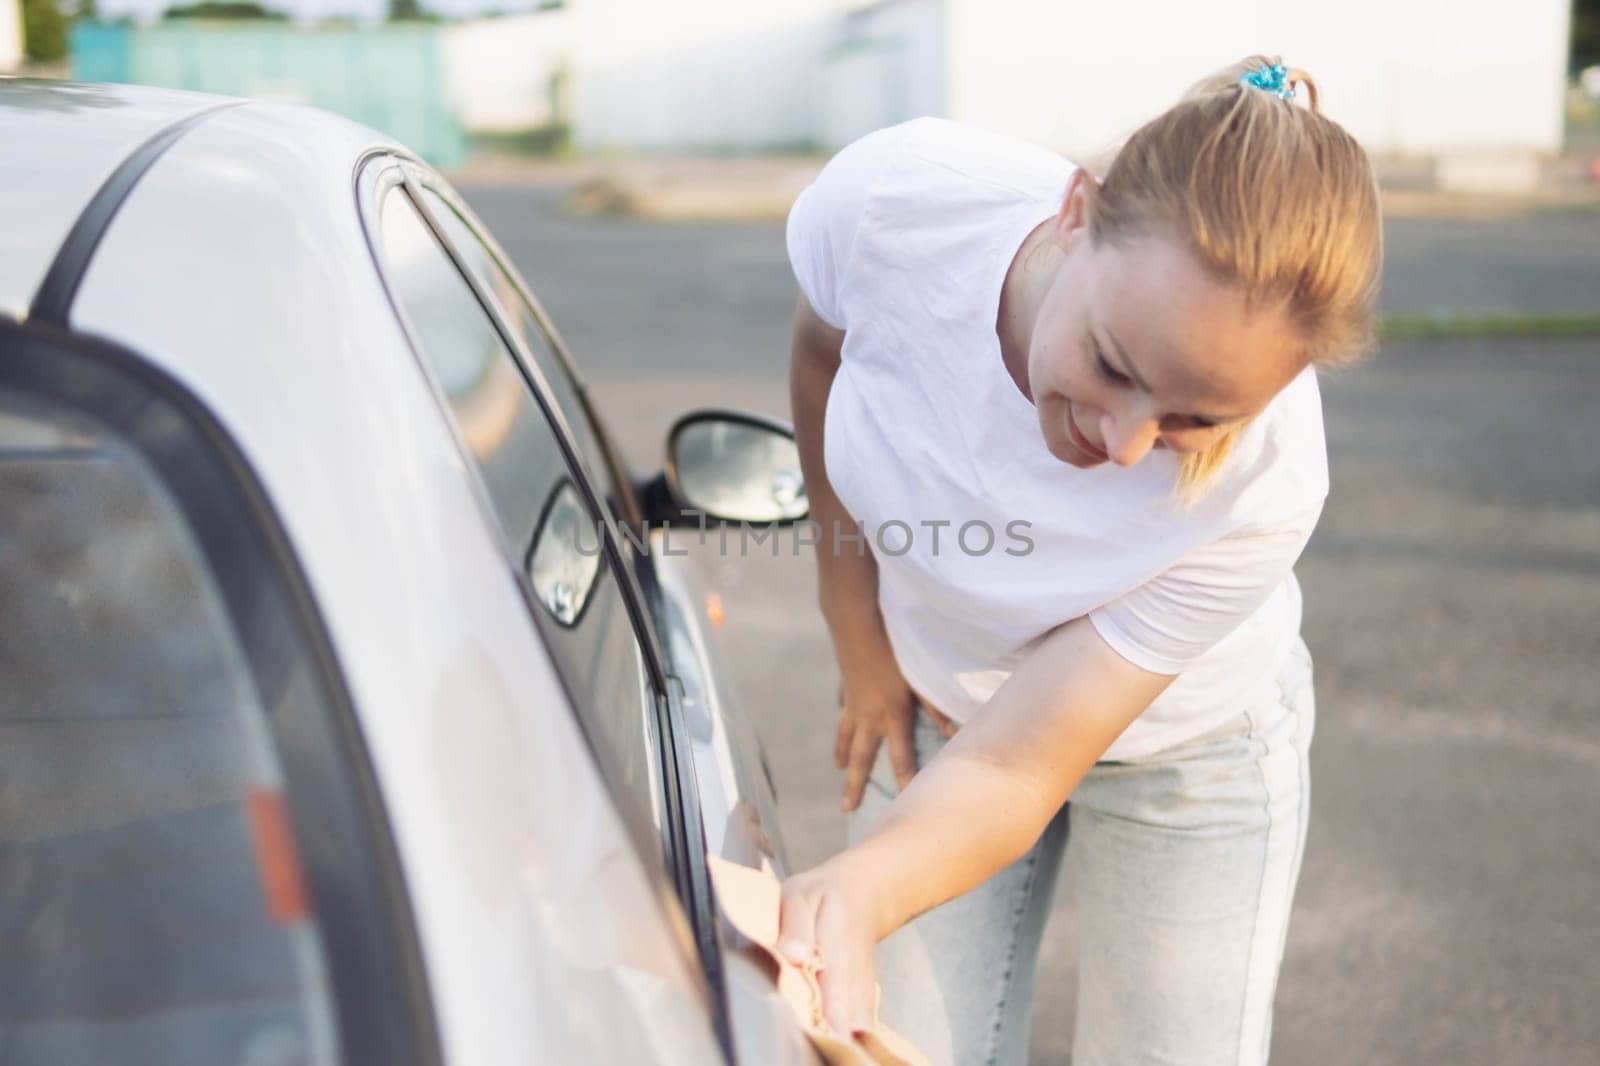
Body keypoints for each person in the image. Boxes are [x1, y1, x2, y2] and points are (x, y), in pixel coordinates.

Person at [777, 56, 1382, 1066]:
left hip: (1190, 750)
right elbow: (818, 358)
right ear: (1075, 208)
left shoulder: (1272, 482)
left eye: (1196, 419)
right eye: (1113, 362)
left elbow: (1020, 764)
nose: (1127, 443)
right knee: (883, 1041)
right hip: (940, 701)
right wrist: (856, 631)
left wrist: (864, 884)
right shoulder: (894, 206)